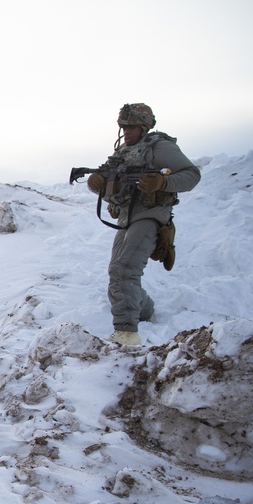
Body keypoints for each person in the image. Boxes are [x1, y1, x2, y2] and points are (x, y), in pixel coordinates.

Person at [86, 103, 201, 346]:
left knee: (125, 268)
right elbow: (112, 190)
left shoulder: (159, 147)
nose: (126, 132)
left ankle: (126, 335)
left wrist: (162, 183)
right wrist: (97, 184)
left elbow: (192, 175)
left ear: (145, 126)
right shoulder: (122, 154)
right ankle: (144, 310)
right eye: (124, 127)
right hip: (126, 216)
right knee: (117, 270)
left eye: (132, 127)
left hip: (150, 214)